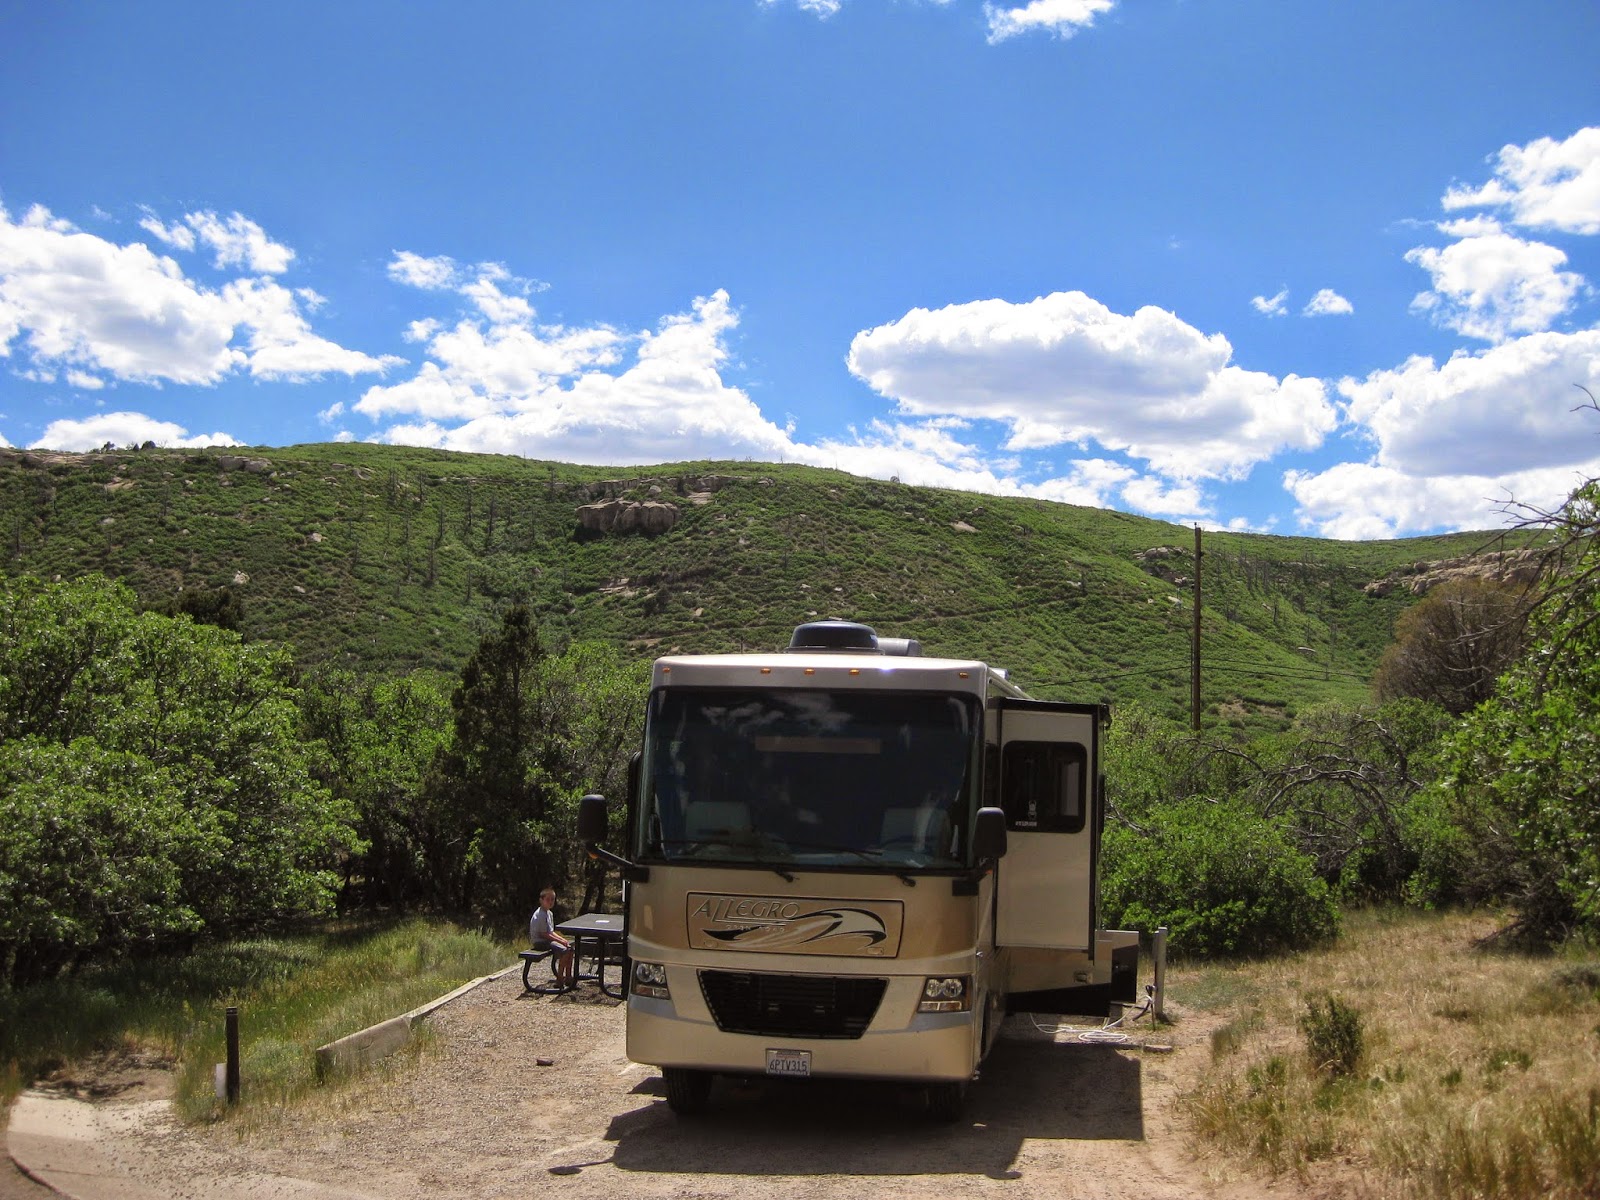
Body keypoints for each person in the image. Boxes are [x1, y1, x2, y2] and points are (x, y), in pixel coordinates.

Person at [530, 887, 576, 989]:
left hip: (547, 939)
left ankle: (568, 977)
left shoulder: (549, 913)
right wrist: (560, 940)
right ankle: (559, 979)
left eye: (552, 899)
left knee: (570, 948)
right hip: (540, 941)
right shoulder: (540, 915)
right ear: (541, 900)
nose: (550, 902)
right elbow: (544, 934)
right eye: (548, 899)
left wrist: (563, 939)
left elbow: (551, 932)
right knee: (565, 950)